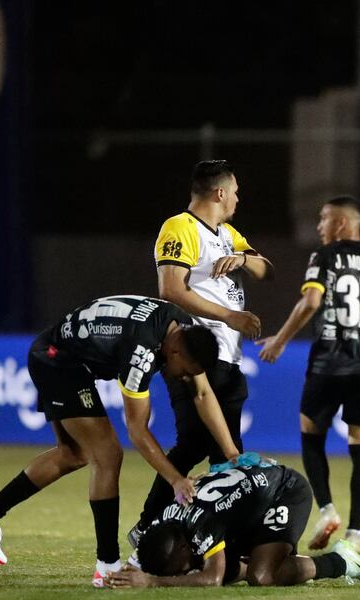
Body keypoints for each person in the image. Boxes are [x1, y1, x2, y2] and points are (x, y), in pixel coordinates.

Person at [0, 295, 240, 587]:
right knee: (107, 455)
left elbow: (203, 394)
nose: (183, 378)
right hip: (58, 361)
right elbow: (138, 431)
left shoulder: (184, 328)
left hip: (60, 352)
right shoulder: (140, 352)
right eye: (185, 372)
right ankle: (106, 565)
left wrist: (231, 452)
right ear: (177, 352)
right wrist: (176, 480)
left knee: (73, 454)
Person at [130, 160, 274, 546]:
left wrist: (244, 259)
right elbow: (172, 290)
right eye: (236, 192)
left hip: (227, 357)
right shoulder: (180, 227)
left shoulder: (227, 234)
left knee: (221, 452)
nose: (239, 199)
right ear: (220, 193)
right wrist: (230, 315)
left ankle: (215, 536)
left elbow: (267, 270)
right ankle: (153, 528)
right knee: (200, 442)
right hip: (192, 355)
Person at [256, 196, 360, 553]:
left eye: (324, 218)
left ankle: (327, 509)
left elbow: (311, 302)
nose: (319, 225)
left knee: (310, 432)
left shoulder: (324, 256)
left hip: (328, 359)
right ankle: (356, 533)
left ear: (342, 224)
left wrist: (280, 341)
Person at [104, 462, 360, 588]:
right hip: (246, 508)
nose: (180, 573)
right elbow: (145, 557)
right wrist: (125, 574)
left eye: (179, 569)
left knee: (263, 576)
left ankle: (341, 561)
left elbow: (211, 579)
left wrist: (153, 582)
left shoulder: (202, 524)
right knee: (209, 565)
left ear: (186, 544)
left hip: (285, 491)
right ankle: (271, 554)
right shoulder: (163, 523)